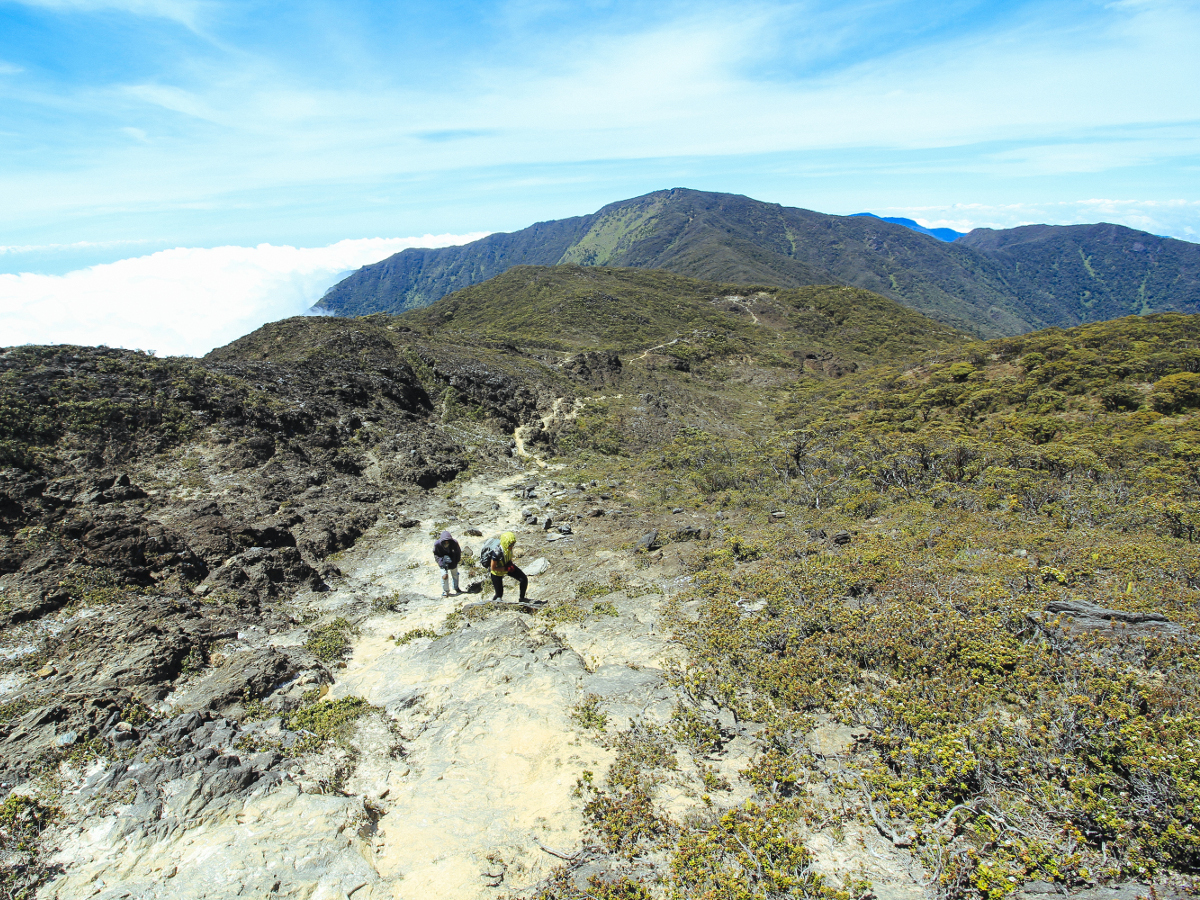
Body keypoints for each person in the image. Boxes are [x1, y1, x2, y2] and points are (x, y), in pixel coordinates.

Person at [489, 531, 528, 602]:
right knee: (499, 595)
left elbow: (508, 558)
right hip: (497, 573)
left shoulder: (508, 549)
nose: (512, 546)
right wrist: (506, 568)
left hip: (507, 567)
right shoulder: (497, 553)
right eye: (510, 544)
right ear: (505, 543)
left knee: (523, 579)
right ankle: (492, 605)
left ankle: (522, 598)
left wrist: (510, 565)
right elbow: (493, 568)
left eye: (513, 544)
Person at [433, 530, 461, 597]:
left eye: (448, 540)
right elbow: (436, 554)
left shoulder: (454, 543)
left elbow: (458, 552)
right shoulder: (437, 544)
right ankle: (445, 591)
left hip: (453, 560)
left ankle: (456, 587)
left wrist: (456, 561)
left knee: (455, 574)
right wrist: (440, 562)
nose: (446, 542)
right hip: (442, 560)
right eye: (445, 541)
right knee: (444, 576)